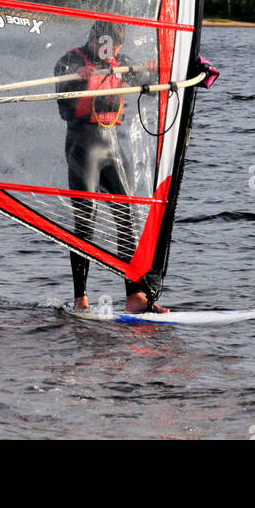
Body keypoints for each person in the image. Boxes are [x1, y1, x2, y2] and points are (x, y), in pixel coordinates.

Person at [55, 20, 168, 314]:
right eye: (104, 47)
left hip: (112, 146)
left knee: (127, 215)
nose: (109, 54)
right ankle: (80, 299)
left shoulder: (121, 62)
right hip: (83, 147)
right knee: (86, 220)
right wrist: (77, 80)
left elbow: (151, 89)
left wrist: (151, 71)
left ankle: (135, 296)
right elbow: (63, 99)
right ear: (92, 39)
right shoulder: (69, 61)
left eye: (114, 49)